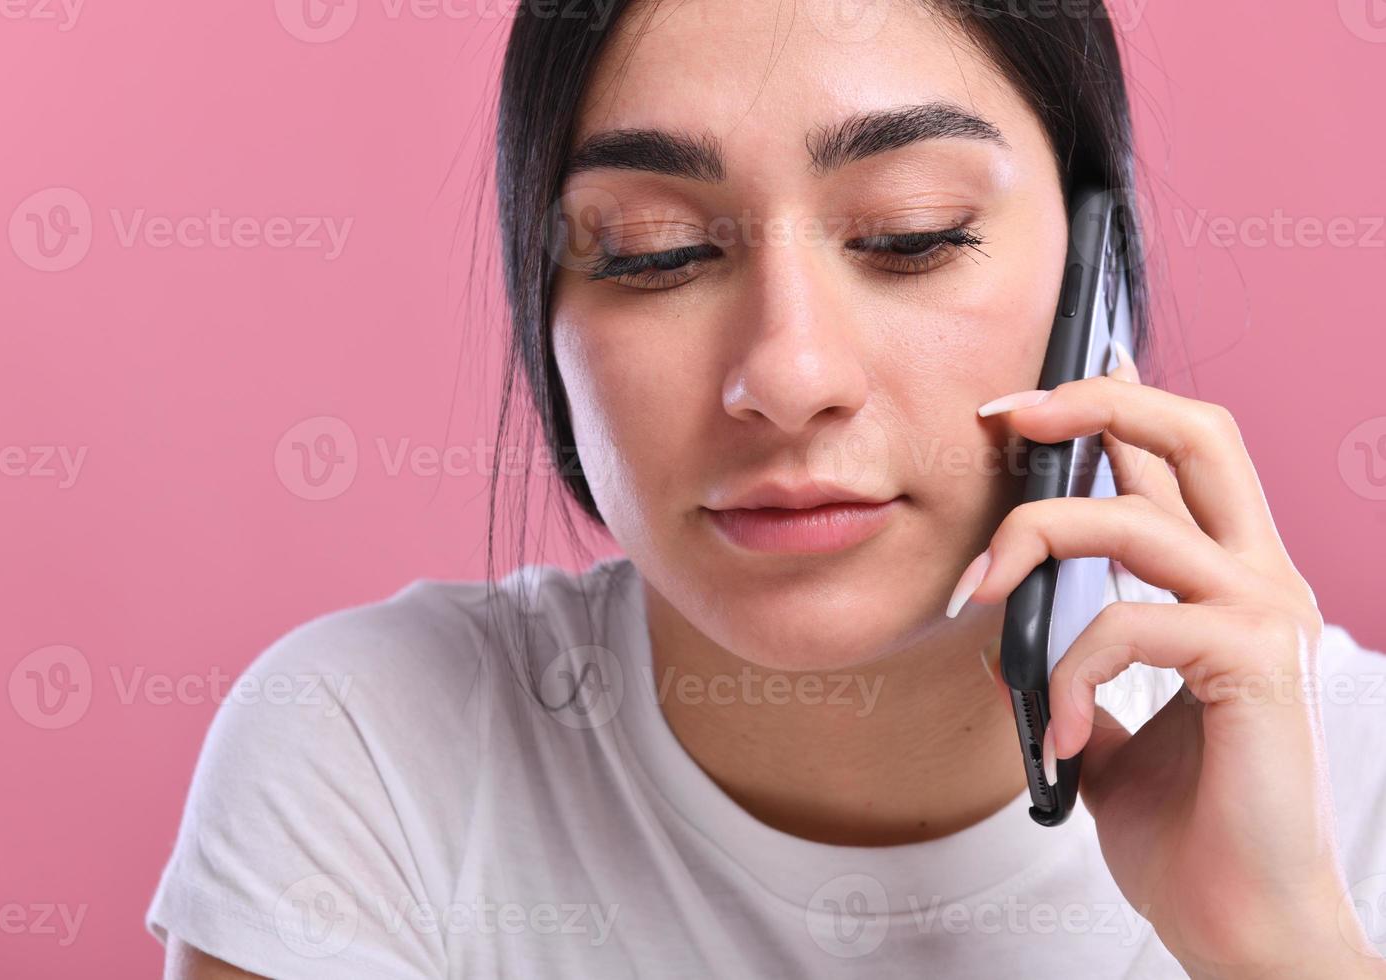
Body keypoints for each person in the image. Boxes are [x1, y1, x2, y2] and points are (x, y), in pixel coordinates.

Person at [150, 1, 1386, 976]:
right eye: (657, 252)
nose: (786, 375)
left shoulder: (1359, 782)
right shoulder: (371, 747)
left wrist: (1287, 956)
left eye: (910, 232)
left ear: (1095, 283)